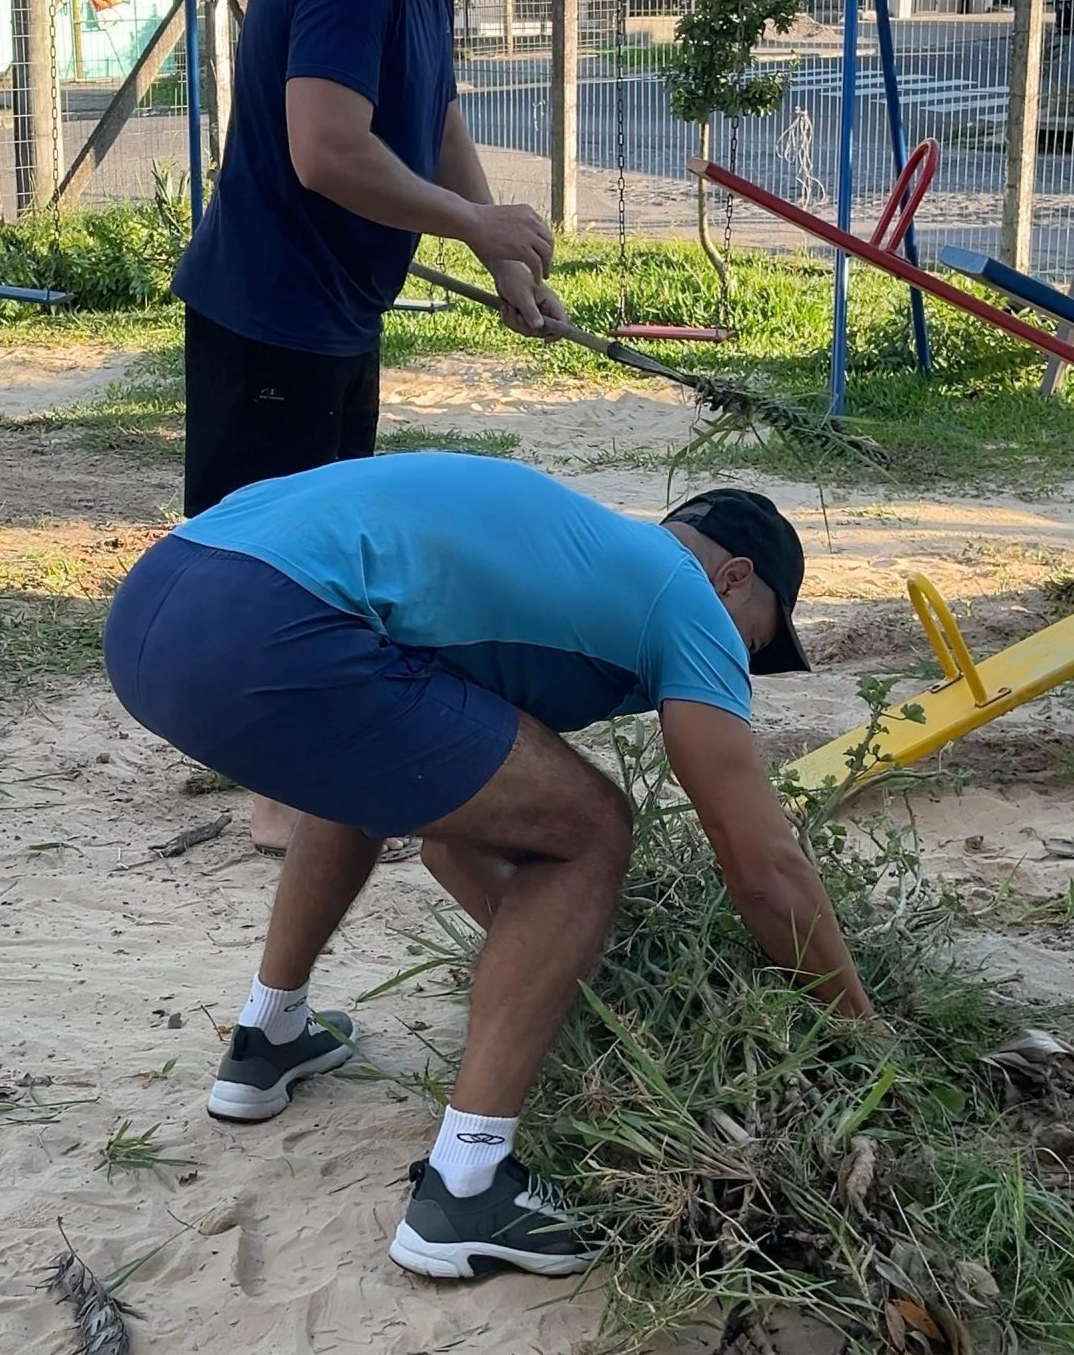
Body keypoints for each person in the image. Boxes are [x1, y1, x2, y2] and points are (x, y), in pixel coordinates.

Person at [104, 453, 879, 1281]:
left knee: (373, 758)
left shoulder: (554, 567)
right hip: (272, 625)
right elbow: (764, 869)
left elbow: (445, 833)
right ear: (732, 577)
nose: (741, 670)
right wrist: (862, 1037)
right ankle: (466, 1185)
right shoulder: (681, 595)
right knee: (591, 829)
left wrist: (579, 975)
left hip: (158, 603)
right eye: (753, 642)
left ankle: (268, 1038)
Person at [170, 0, 571, 858]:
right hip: (270, 307)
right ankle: (272, 789)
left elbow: (435, 120)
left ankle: (303, 763)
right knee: (268, 553)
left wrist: (505, 263)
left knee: (332, 547)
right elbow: (325, 151)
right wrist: (477, 225)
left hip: (337, 305)